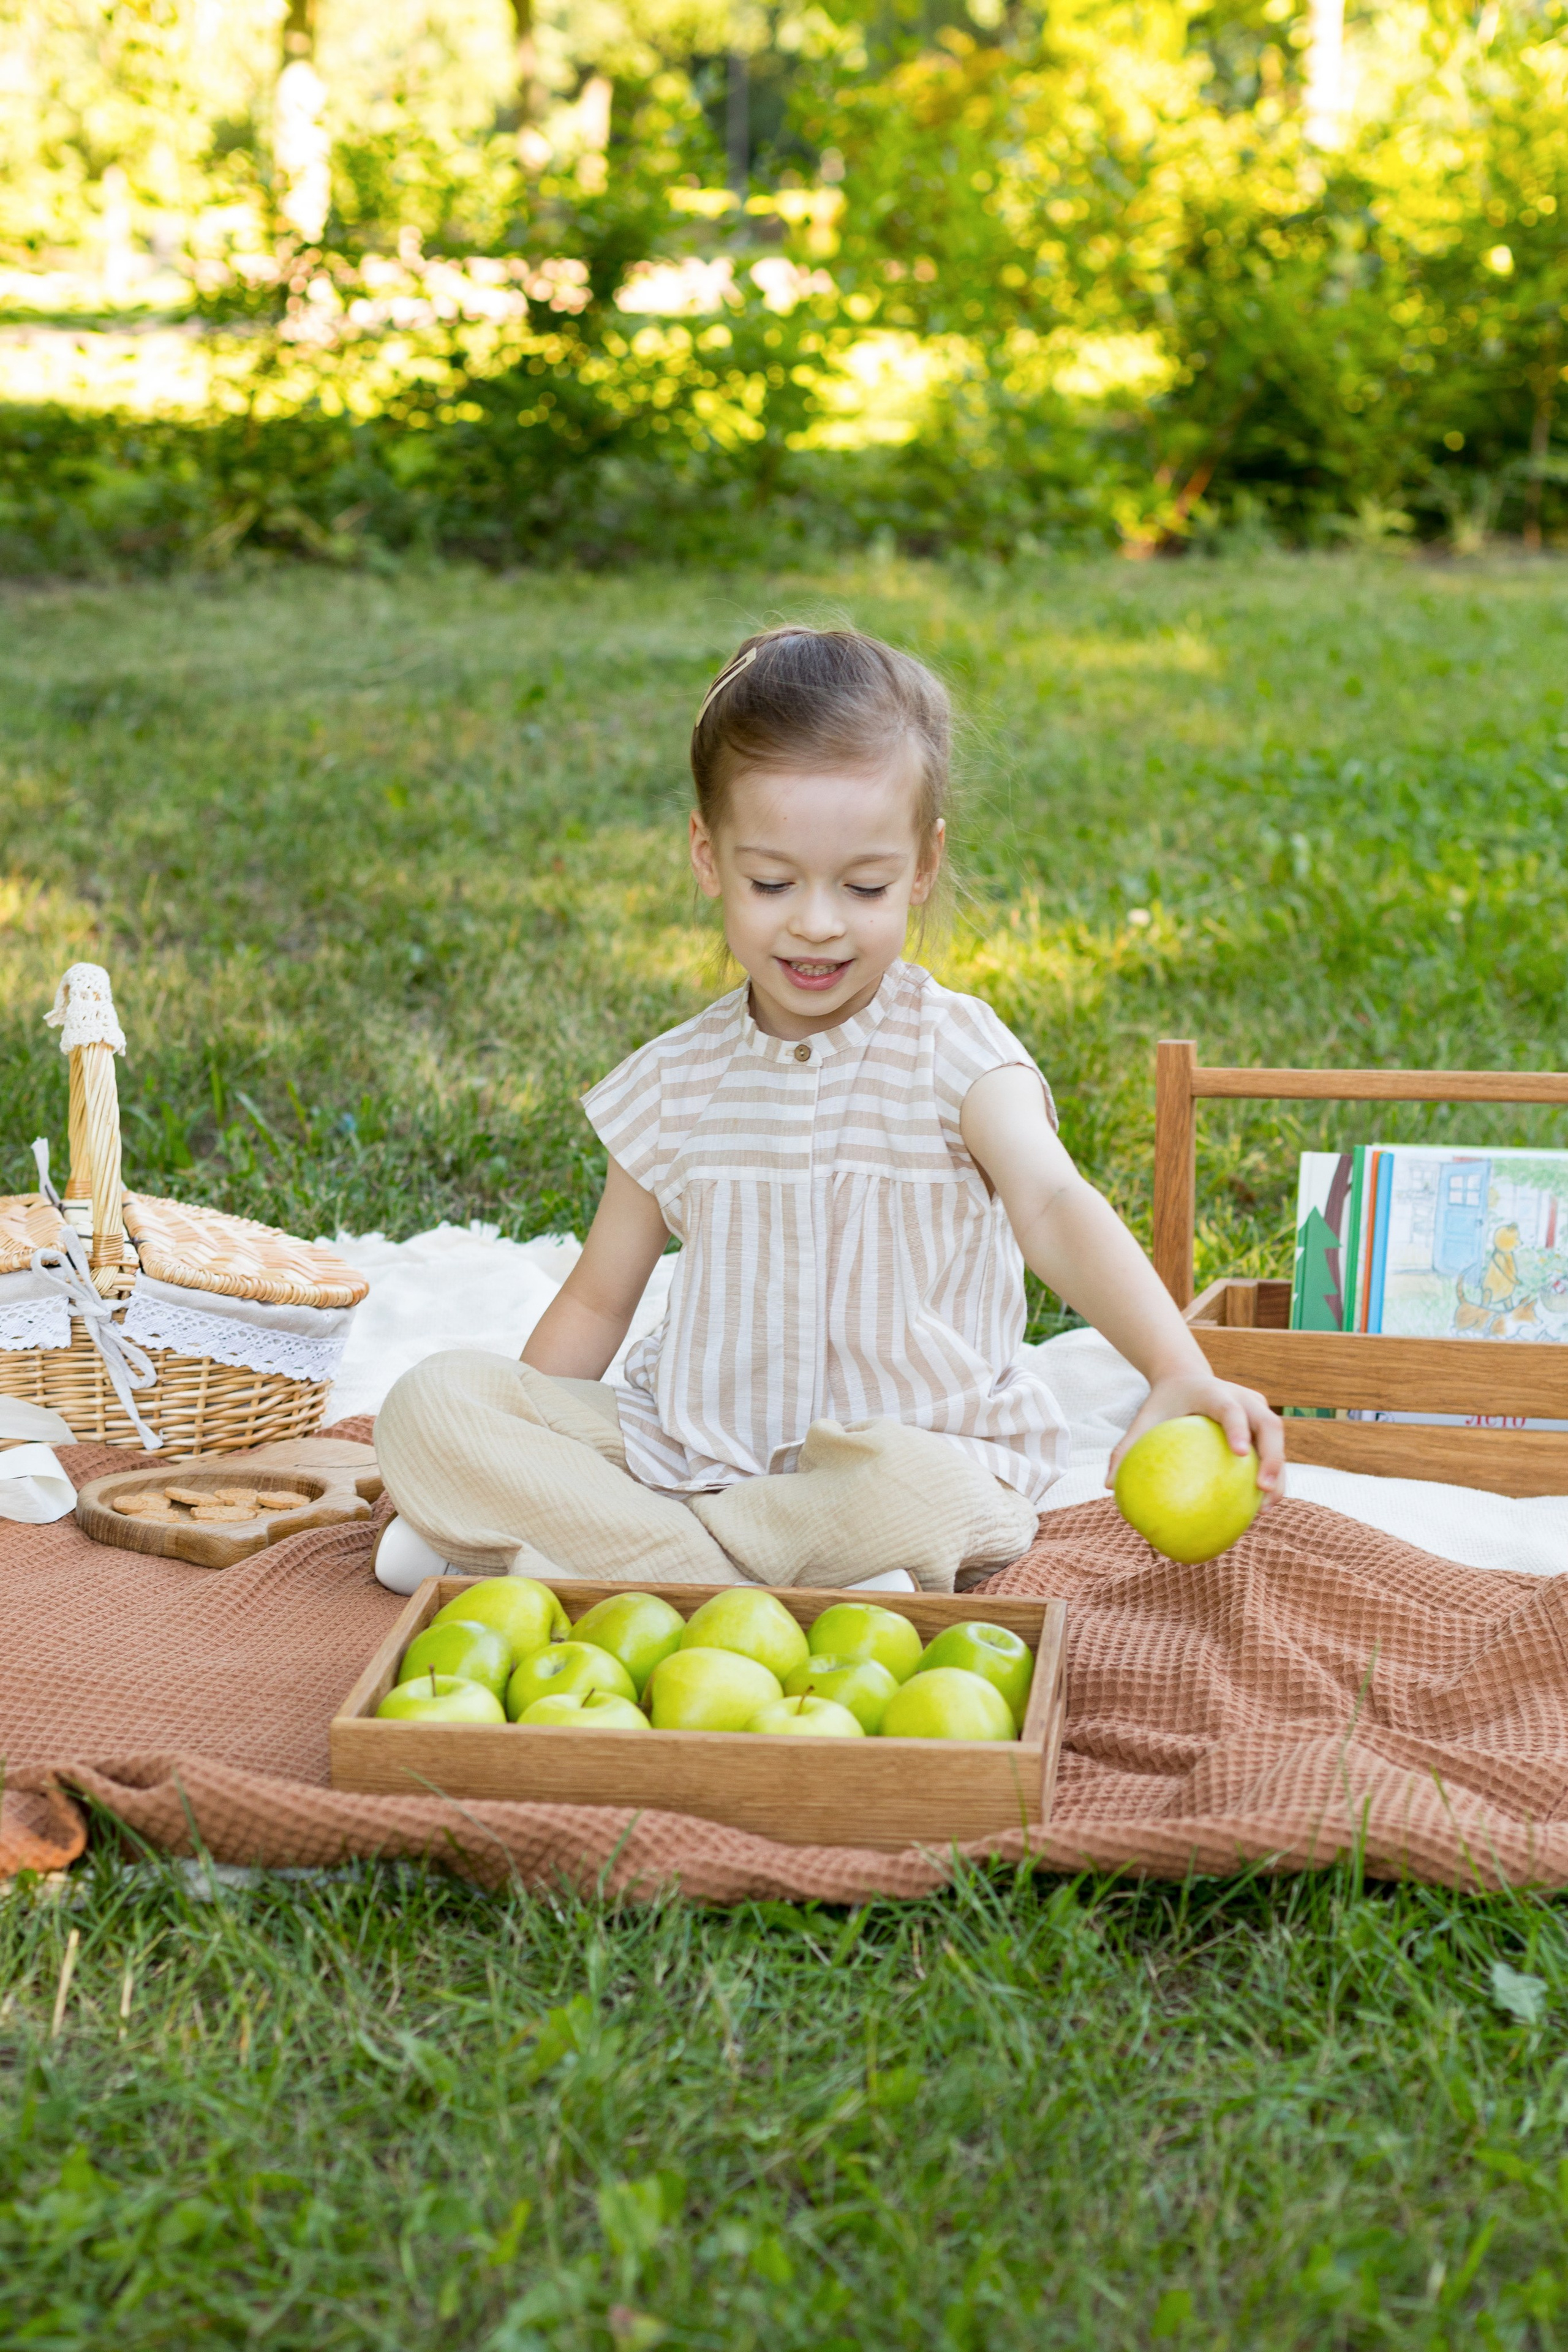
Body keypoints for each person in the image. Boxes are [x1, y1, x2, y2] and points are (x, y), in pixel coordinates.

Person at [376, 626, 1283, 1593]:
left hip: (908, 1459)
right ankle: (748, 1574)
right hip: (694, 1456)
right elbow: (600, 1297)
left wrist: (1175, 1367)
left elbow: (1054, 1203)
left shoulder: (959, 1054)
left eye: (865, 886)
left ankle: (591, 1558)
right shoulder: (674, 1083)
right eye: (772, 882)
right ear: (707, 856)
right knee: (431, 1406)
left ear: (923, 867)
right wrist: (516, 1441)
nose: (817, 921)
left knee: (920, 1493)